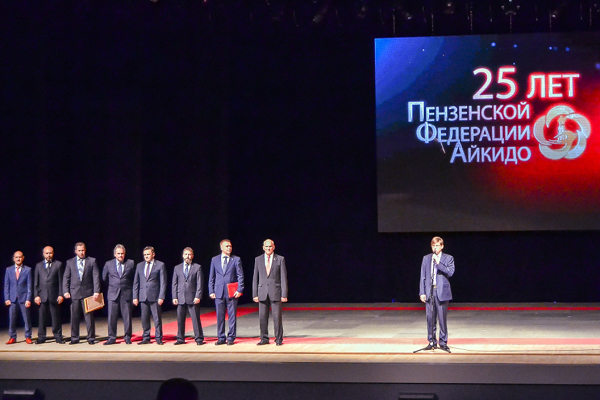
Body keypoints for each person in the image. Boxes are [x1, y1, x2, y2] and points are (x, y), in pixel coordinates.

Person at [419, 236, 455, 352]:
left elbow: (450, 272)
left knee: (442, 319)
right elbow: (423, 276)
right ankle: (431, 341)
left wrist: (439, 263)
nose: (435, 248)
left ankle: (443, 342)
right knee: (430, 318)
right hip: (430, 291)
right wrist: (422, 292)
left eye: (437, 246)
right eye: (433, 246)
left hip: (442, 292)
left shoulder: (448, 258)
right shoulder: (426, 258)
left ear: (442, 246)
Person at [63, 242, 101, 345]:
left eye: (83, 250)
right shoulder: (70, 262)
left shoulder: (92, 261)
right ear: (76, 251)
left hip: (88, 293)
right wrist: (65, 291)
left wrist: (96, 291)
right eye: (79, 251)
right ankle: (74, 338)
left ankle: (91, 338)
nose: (81, 252)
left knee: (89, 317)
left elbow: (96, 277)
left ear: (85, 250)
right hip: (74, 293)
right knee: (74, 317)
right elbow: (66, 277)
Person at [208, 239, 244, 345]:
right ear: (221, 247)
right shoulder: (214, 260)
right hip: (219, 291)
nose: (229, 248)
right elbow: (211, 277)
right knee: (220, 316)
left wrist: (239, 289)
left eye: (230, 246)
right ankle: (221, 337)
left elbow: (240, 275)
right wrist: (211, 290)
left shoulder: (236, 259)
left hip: (231, 291)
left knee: (232, 315)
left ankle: (231, 337)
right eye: (227, 246)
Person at [252, 239, 288, 346]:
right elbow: (255, 278)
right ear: (263, 247)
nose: (268, 248)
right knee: (262, 317)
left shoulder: (280, 259)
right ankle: (264, 338)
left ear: (274, 247)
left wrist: (284, 294)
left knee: (277, 318)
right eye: (266, 247)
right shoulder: (258, 259)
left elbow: (283, 278)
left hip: (275, 292)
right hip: (262, 292)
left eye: (270, 246)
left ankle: (279, 339)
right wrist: (255, 294)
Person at [102, 244, 135, 345]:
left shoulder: (130, 263)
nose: (120, 255)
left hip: (126, 293)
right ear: (114, 254)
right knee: (112, 317)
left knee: (127, 317)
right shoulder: (108, 264)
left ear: (125, 254)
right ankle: (112, 338)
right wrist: (113, 285)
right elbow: (104, 278)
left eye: (122, 253)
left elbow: (134, 278)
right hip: (113, 294)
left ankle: (128, 337)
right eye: (118, 253)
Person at [133, 246, 166, 345]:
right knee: (144, 318)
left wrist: (161, 296)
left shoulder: (160, 265)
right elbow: (136, 282)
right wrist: (135, 296)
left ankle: (158, 337)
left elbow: (163, 282)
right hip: (143, 296)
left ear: (153, 254)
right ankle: (146, 337)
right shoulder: (139, 266)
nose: (146, 256)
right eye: (145, 255)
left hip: (155, 296)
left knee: (157, 318)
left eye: (148, 254)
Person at [172, 247, 204, 345]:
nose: (187, 256)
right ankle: (180, 338)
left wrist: (198, 296)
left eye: (189, 254)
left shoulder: (197, 267)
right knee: (180, 320)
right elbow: (174, 283)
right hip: (180, 297)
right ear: (182, 256)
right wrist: (174, 296)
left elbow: (200, 283)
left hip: (193, 297)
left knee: (195, 319)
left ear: (192, 256)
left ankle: (199, 338)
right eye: (185, 254)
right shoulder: (177, 268)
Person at [33, 246, 64, 344]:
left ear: (53, 253)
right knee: (42, 318)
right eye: (47, 253)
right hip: (42, 296)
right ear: (43, 254)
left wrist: (60, 294)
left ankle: (58, 336)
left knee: (56, 317)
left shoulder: (58, 264)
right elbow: (36, 282)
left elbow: (61, 281)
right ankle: (41, 337)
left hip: (54, 295)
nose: (48, 255)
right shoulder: (38, 266)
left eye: (50, 253)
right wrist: (36, 295)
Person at [4, 251, 33, 344]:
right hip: (12, 298)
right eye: (16, 257)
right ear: (13, 258)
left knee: (26, 319)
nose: (18, 259)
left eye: (20, 257)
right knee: (12, 319)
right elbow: (6, 285)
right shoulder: (9, 270)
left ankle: (28, 336)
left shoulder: (28, 270)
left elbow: (29, 286)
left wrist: (28, 299)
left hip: (23, 298)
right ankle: (12, 337)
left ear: (23, 258)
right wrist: (7, 298)